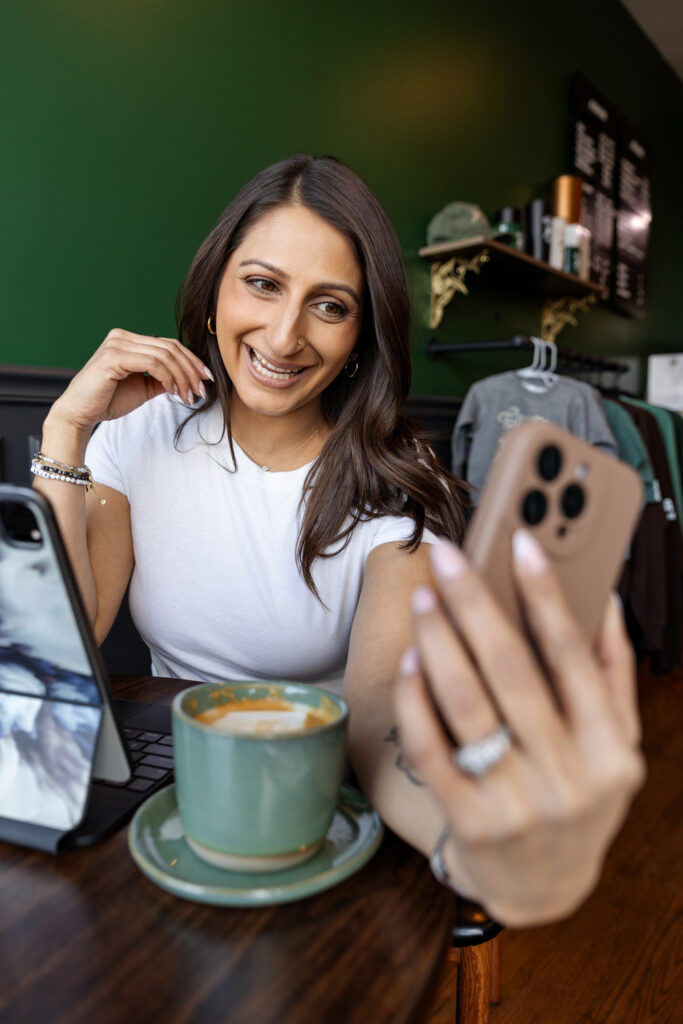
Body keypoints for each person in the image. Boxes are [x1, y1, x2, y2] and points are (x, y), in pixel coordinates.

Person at [33, 154, 644, 926]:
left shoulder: (394, 474)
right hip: (173, 783)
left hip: (323, 804)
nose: (284, 337)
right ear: (215, 291)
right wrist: (66, 433)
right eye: (261, 284)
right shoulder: (140, 432)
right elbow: (66, 642)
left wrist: (469, 843)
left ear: (360, 333)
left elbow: (380, 711)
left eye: (329, 305)